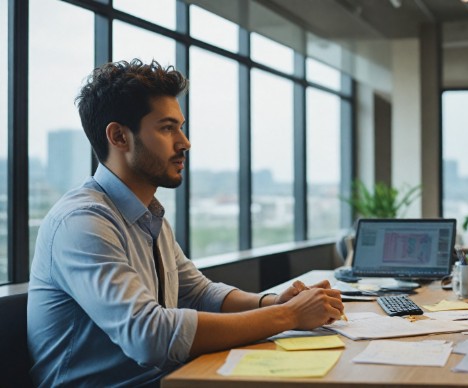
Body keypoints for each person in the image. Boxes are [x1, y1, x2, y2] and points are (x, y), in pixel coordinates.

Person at [27, 59, 345, 387]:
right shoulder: (82, 222)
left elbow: (197, 293)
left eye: (180, 126)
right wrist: (288, 316)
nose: (185, 142)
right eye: (167, 128)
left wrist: (271, 302)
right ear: (119, 136)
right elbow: (148, 335)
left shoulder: (149, 217)